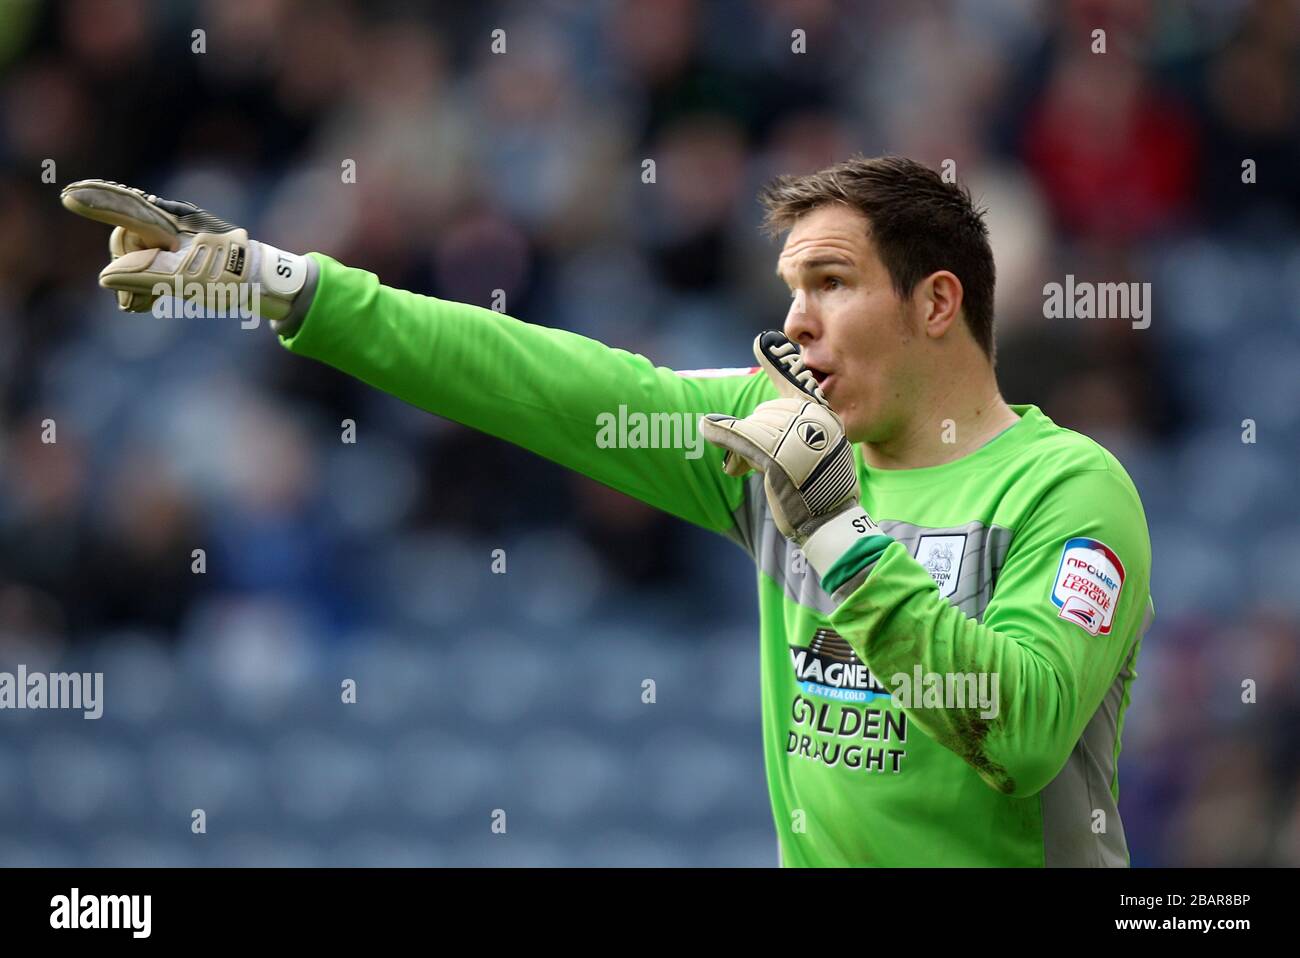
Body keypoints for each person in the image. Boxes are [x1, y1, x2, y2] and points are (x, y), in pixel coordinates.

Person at [61, 155, 1154, 867]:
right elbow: (539, 380)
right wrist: (287, 283)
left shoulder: (1065, 489)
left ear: (935, 302)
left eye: (831, 283)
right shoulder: (774, 436)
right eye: (788, 290)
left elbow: (1015, 731)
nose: (796, 321)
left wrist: (837, 539)